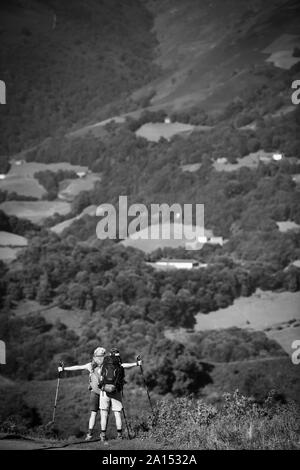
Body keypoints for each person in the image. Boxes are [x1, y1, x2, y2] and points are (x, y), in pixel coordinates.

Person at [58, 347, 142, 442]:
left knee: (98, 414)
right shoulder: (109, 363)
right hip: (110, 391)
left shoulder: (91, 365)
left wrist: (63, 369)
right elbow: (123, 365)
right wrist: (136, 364)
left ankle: (94, 435)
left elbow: (77, 367)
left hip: (99, 392)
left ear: (94, 356)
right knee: (113, 414)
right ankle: (115, 435)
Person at [98, 347, 141, 442]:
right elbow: (124, 369)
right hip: (116, 391)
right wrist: (136, 363)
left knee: (104, 414)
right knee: (117, 413)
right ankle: (119, 435)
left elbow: (101, 378)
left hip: (104, 391)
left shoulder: (104, 365)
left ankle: (103, 435)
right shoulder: (120, 365)